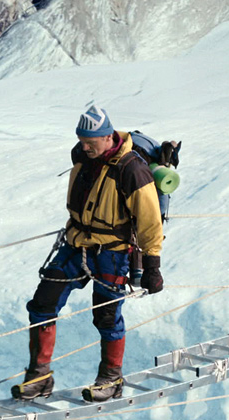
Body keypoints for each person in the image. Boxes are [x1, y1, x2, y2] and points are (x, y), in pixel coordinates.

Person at [11, 105, 164, 403]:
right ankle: (39, 377)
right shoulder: (83, 157)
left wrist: (152, 265)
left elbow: (150, 221)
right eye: (81, 141)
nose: (83, 147)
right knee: (42, 303)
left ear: (108, 137)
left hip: (113, 251)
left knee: (107, 316)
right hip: (76, 243)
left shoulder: (132, 170)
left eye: (89, 142)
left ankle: (111, 378)